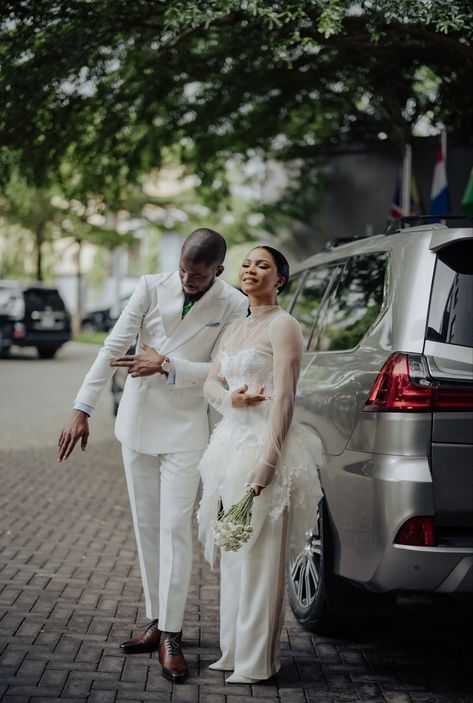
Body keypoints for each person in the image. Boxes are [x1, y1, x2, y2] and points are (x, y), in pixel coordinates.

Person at [57, 228, 248, 683]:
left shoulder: (233, 305)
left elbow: (219, 374)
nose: (187, 279)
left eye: (198, 275)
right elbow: (112, 347)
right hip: (137, 425)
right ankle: (158, 619)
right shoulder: (148, 286)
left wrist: (166, 364)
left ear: (217, 271)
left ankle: (173, 635)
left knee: (175, 530)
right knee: (147, 528)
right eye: (183, 269)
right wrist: (81, 408)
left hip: (186, 430)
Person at [197, 245, 322, 683]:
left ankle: (257, 661)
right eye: (247, 264)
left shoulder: (284, 326)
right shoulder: (233, 329)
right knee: (234, 552)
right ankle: (232, 651)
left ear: (279, 279)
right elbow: (212, 383)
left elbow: (286, 398)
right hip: (228, 446)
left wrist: (268, 463)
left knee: (261, 557)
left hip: (264, 446)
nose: (251, 270)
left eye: (263, 265)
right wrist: (229, 397)